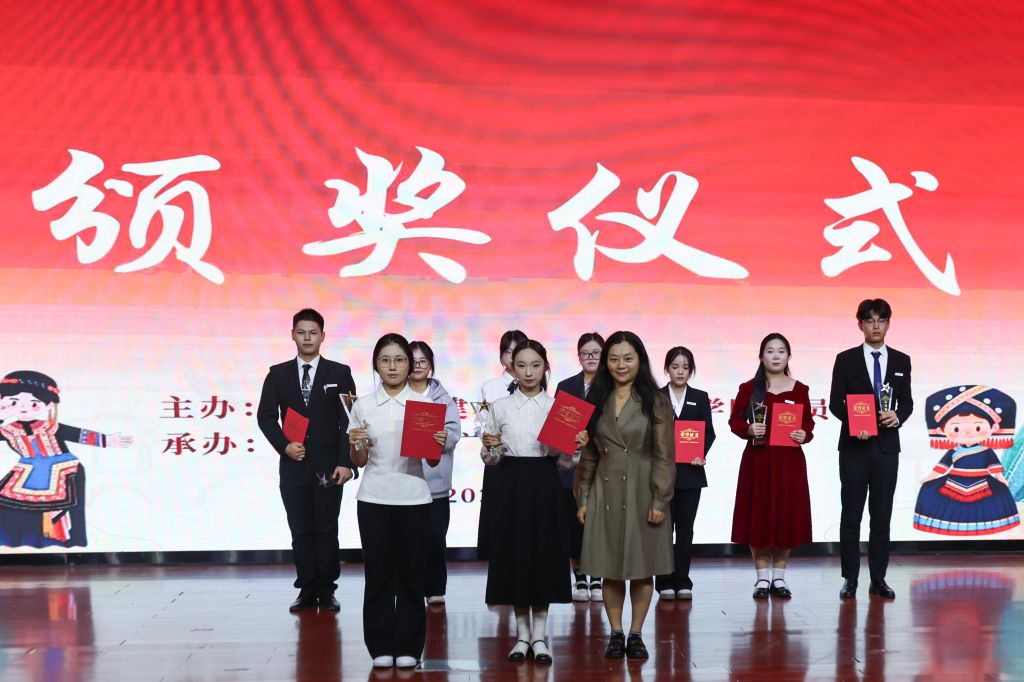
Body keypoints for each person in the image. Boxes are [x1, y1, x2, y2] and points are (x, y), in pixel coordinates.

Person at [481, 339, 586, 664]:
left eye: (535, 365)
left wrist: (573, 447)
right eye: (522, 365)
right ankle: (522, 635)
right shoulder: (499, 406)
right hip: (509, 484)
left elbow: (565, 462)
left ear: (545, 368)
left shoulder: (559, 408)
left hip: (545, 484)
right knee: (515, 556)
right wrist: (490, 446)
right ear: (512, 367)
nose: (528, 372)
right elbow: (490, 458)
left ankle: (539, 636)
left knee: (543, 556)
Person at [347, 333, 447, 669]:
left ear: (410, 365)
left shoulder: (424, 406)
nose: (392, 366)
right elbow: (359, 461)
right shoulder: (362, 405)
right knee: (377, 575)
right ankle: (379, 645)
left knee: (411, 576)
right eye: (385, 360)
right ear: (376, 365)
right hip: (373, 498)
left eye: (399, 360)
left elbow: (431, 461)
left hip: (414, 499)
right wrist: (356, 444)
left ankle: (409, 646)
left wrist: (436, 444)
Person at [576, 331, 675, 660]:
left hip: (643, 490)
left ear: (640, 360)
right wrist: (583, 497)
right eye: (614, 358)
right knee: (609, 566)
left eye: (628, 358)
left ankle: (636, 633)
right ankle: (616, 632)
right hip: (604, 490)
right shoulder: (596, 398)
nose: (621, 365)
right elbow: (589, 455)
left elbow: (665, 455)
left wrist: (660, 499)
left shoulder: (655, 400)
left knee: (642, 567)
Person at [257, 308, 356, 613]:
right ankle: (306, 588)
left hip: (329, 466)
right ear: (292, 335)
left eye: (313, 332)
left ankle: (327, 589)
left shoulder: (340, 373)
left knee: (326, 529)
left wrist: (345, 462)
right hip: (294, 464)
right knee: (300, 530)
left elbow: (349, 420)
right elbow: (265, 416)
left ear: (323, 336)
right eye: (301, 332)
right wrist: (284, 446)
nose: (307, 338)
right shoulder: (278, 374)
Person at [828, 299, 912, 600]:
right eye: (870, 320)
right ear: (860, 324)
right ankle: (850, 578)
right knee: (851, 515)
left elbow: (907, 402)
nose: (876, 326)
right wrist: (855, 423)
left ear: (888, 323)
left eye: (881, 320)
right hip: (854, 447)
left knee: (882, 516)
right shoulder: (845, 359)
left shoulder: (902, 360)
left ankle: (879, 578)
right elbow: (835, 402)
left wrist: (897, 416)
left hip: (886, 448)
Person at [0, 371, 132, 548]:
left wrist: (106, 440)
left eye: (34, 404)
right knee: (7, 500)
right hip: (27, 470)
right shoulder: (7, 430)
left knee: (73, 507)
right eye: (13, 403)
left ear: (48, 405)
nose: (23, 409)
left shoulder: (51, 427)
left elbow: (77, 434)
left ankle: (74, 539)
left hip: (65, 468)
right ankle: (18, 538)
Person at [729, 333, 814, 599]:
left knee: (785, 517)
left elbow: (808, 424)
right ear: (761, 356)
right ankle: (761, 578)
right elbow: (734, 421)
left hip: (789, 463)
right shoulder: (748, 388)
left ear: (789, 356)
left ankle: (779, 577)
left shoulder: (800, 389)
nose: (775, 356)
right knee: (759, 516)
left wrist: (804, 434)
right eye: (770, 351)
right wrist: (748, 429)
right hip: (758, 460)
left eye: (781, 351)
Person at [914, 385, 1019, 536]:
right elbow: (943, 465)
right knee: (929, 489)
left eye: (978, 428)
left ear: (994, 427)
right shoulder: (954, 450)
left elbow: (994, 466)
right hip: (954, 478)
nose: (968, 432)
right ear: (941, 431)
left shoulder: (986, 450)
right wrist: (930, 477)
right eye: (956, 429)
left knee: (1000, 492)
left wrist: (1001, 478)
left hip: (982, 479)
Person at [655, 346, 716, 600]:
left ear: (691, 370)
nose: (680, 371)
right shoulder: (655, 397)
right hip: (661, 476)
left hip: (690, 474)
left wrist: (700, 453)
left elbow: (709, 432)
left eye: (685, 367)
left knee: (685, 530)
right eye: (675, 366)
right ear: (667, 369)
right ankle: (664, 582)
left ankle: (683, 580)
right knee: (662, 531)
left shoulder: (700, 397)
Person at [408, 340, 462, 605]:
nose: (418, 366)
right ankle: (409, 588)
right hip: (403, 480)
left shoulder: (443, 398)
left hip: (435, 483)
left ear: (430, 365)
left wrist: (442, 438)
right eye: (413, 361)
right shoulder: (396, 395)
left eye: (423, 361)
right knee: (407, 540)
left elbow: (454, 433)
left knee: (434, 538)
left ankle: (435, 588)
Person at [555, 332, 605, 602]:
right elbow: (558, 428)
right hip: (570, 466)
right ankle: (580, 577)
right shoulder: (565, 386)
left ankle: (597, 575)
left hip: (603, 465)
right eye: (585, 353)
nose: (591, 357)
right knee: (574, 525)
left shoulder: (613, 386)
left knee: (598, 524)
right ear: (578, 356)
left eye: (596, 353)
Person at [476, 329, 528, 561]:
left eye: (518, 351)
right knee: (500, 526)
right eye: (508, 352)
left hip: (528, 464)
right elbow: (482, 424)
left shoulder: (535, 383)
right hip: (499, 463)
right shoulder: (490, 387)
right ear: (501, 356)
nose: (513, 357)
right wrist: (495, 447)